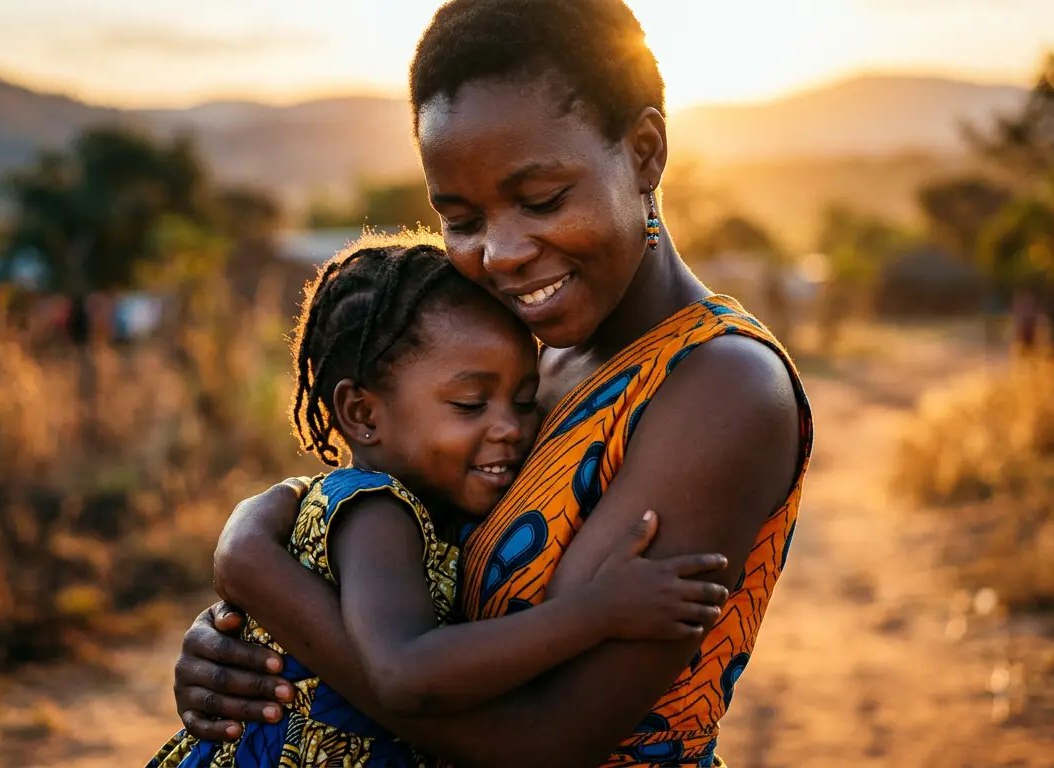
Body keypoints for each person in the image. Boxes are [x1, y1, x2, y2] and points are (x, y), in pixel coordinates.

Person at [172, 2, 814, 765]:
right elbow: (393, 523)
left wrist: (265, 583)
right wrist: (256, 641)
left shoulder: (720, 386)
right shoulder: (533, 362)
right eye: (463, 219)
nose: (501, 253)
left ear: (645, 153)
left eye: (542, 200)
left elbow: (544, 742)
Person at [147, 238, 729, 767]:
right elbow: (406, 671)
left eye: (524, 401)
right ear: (363, 413)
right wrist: (596, 611)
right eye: (471, 405)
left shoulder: (426, 507)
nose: (510, 428)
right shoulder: (377, 514)